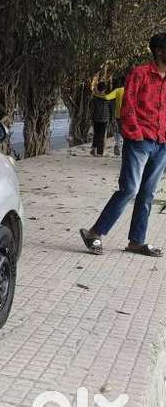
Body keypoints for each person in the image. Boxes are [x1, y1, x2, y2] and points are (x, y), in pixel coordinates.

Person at [80, 32, 166, 256]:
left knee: (147, 193)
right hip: (140, 141)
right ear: (159, 51)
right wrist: (135, 134)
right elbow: (128, 106)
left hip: (162, 143)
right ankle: (94, 233)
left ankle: (136, 242)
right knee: (129, 189)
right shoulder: (140, 73)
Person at [91, 77, 126, 156]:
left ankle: (117, 144)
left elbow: (106, 98)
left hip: (116, 115)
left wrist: (96, 94)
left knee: (117, 131)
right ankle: (123, 147)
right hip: (128, 115)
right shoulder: (131, 91)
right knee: (126, 132)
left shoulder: (117, 90)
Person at [90, 80, 115, 156]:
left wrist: (91, 118)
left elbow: (92, 109)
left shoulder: (95, 98)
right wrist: (111, 118)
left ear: (98, 88)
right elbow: (111, 109)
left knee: (96, 134)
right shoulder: (108, 98)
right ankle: (100, 152)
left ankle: (94, 149)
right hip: (105, 119)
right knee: (102, 135)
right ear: (105, 89)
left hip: (96, 118)